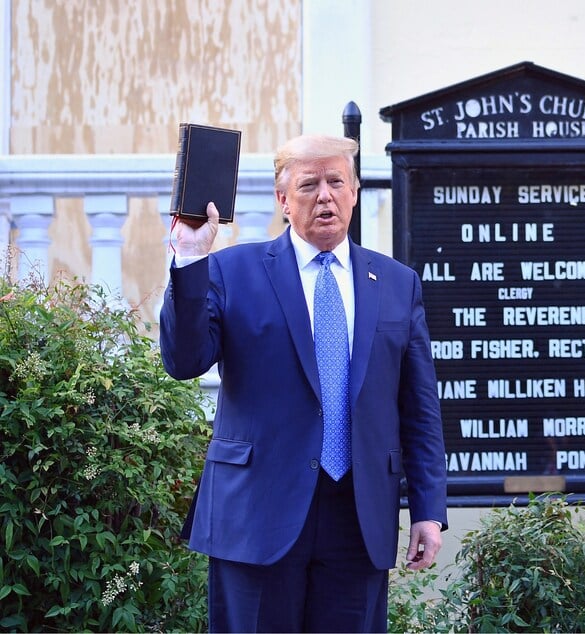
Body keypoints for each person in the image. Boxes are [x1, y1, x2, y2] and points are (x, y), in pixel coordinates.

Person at [160, 133, 448, 633]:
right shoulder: (232, 270)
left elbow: (418, 407)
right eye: (309, 184)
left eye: (337, 182)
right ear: (282, 199)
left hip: (358, 518)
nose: (325, 196)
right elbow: (184, 360)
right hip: (257, 514)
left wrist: (427, 508)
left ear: (355, 191)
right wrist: (189, 258)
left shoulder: (398, 283)